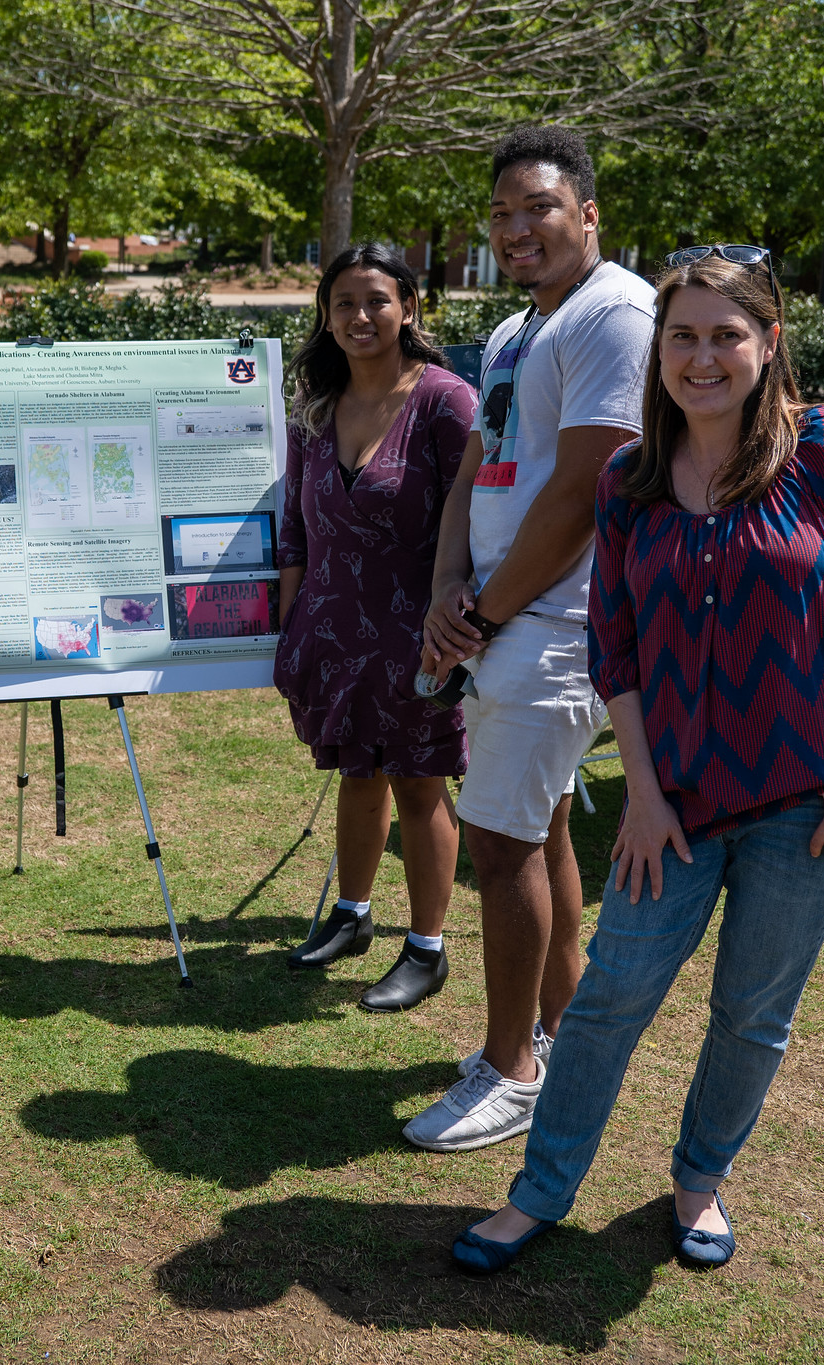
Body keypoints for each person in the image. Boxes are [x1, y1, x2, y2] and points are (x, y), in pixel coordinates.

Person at [450, 247, 824, 1275]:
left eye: (725, 335)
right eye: (682, 337)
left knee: (752, 1012)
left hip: (809, 803)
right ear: (657, 350)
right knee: (609, 998)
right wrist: (643, 795)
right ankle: (538, 1193)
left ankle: (698, 1181)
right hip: (672, 805)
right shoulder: (628, 482)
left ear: (768, 342)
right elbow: (613, 647)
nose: (702, 357)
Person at [403, 126, 657, 1152]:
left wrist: (487, 611)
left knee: (502, 845)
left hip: (554, 624)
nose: (517, 229)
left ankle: (511, 1071)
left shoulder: (617, 315)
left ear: (587, 214)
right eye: (502, 213)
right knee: (539, 828)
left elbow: (589, 489)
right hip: (498, 615)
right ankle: (569, 1033)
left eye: (538, 209)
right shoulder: (517, 328)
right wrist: (443, 593)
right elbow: (479, 467)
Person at [274, 243, 475, 1011]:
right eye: (343, 303)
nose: (360, 316)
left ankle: (425, 948)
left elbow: (479, 521)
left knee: (419, 786)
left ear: (409, 307)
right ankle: (351, 915)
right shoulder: (314, 409)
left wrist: (460, 622)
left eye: (376, 300)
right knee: (356, 775)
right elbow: (295, 525)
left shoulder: (445, 401)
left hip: (418, 636)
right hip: (334, 636)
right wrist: (294, 628)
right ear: (324, 318)